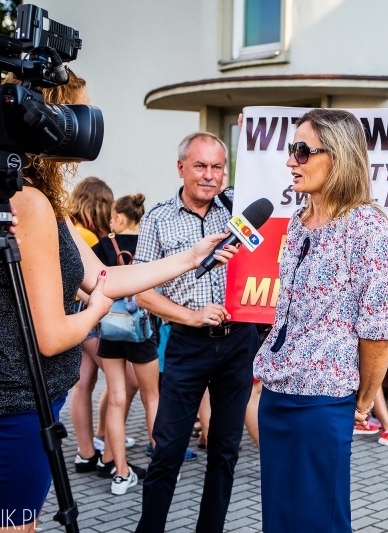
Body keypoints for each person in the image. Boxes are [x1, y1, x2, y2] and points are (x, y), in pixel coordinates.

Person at [0, 69, 238, 533]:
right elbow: (51, 336)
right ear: (43, 120)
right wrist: (98, 310)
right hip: (15, 411)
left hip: (13, 404)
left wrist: (192, 256)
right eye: (76, 111)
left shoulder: (29, 197)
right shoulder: (30, 203)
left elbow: (104, 274)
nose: (85, 126)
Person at [253, 108, 388, 533]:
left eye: (302, 151)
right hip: (277, 392)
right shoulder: (298, 223)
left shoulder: (367, 226)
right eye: (290, 149)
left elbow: (377, 330)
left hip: (323, 401)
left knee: (320, 521)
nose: (290, 161)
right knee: (279, 521)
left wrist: (364, 401)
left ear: (339, 156)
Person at [134, 132, 259, 533]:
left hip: (238, 342)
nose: (210, 176)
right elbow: (141, 292)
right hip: (187, 345)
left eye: (218, 166)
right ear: (181, 168)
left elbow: (283, 190)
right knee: (167, 450)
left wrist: (257, 137)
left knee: (224, 452)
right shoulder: (158, 218)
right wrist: (190, 316)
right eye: (201, 166)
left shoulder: (239, 209)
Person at [92, 193, 159, 495]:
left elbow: (83, 281)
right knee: (152, 398)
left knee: (116, 400)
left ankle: (121, 472)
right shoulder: (148, 245)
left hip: (109, 329)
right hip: (141, 329)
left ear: (119, 217)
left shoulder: (103, 247)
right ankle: (161, 467)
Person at [67, 176, 114, 475]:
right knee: (124, 381)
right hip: (89, 316)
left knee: (83, 384)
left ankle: (85, 452)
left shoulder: (69, 230)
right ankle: (112, 455)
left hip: (73, 315)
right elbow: (98, 279)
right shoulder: (88, 237)